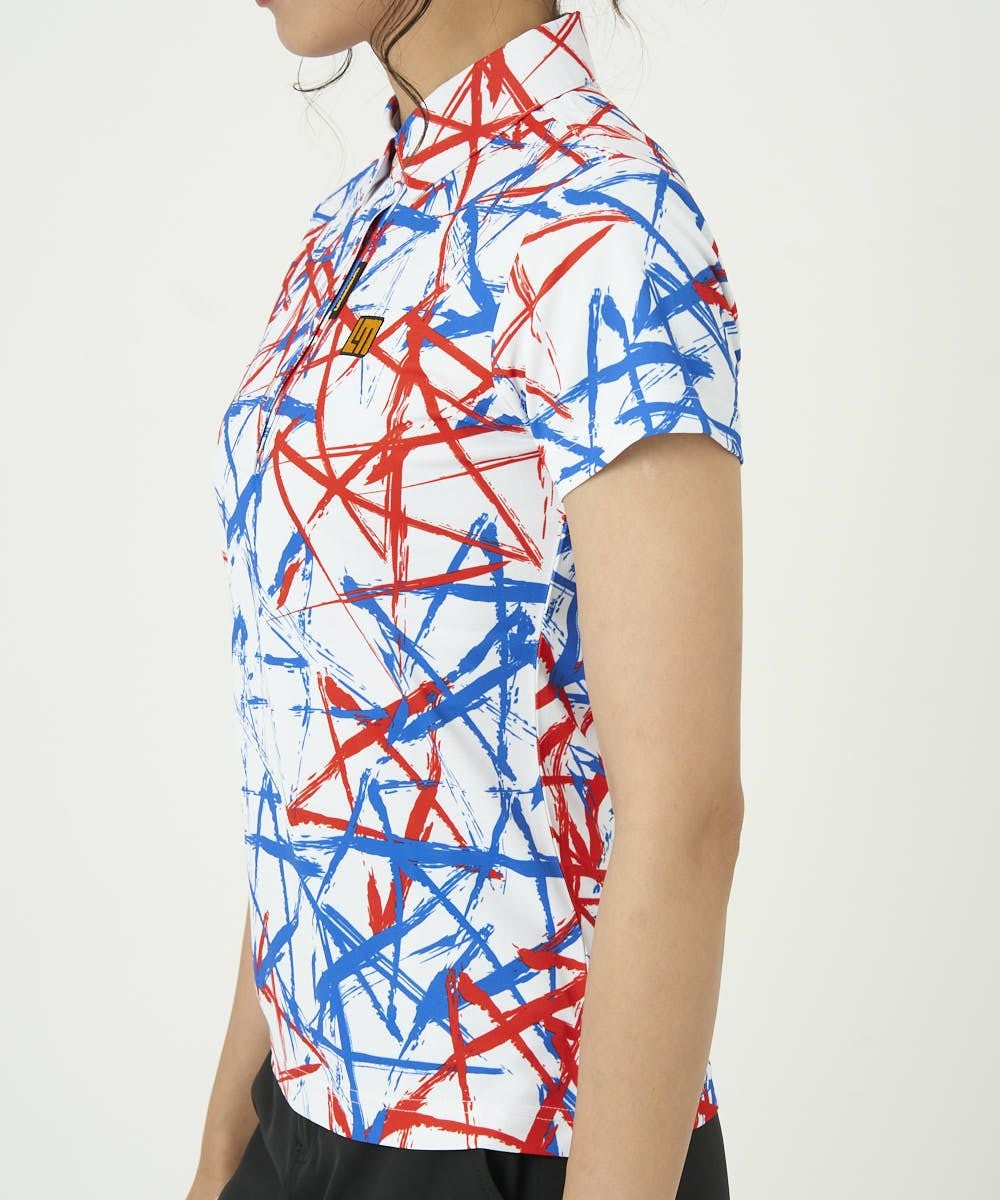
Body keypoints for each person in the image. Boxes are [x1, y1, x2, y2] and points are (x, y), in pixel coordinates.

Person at [190, 2, 744, 1197]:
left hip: (518, 1141)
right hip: (304, 1113)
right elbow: (323, 744)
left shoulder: (602, 219)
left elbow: (686, 812)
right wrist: (226, 1145)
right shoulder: (349, 231)